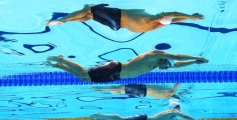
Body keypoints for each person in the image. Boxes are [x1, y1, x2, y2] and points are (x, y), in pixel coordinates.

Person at [46, 50, 209, 83]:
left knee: (85, 79)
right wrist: (196, 56)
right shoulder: (153, 55)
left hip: (117, 76)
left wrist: (194, 63)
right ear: (164, 59)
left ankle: (60, 66)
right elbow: (176, 57)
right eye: (166, 64)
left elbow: (176, 64)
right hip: (115, 68)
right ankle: (63, 59)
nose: (166, 67)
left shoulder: (156, 65)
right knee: (84, 73)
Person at [46, 4, 204, 32]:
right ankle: (65, 22)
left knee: (87, 9)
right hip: (116, 26)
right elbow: (174, 20)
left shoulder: (151, 19)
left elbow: (174, 13)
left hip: (118, 15)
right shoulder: (153, 26)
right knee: (88, 17)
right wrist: (189, 19)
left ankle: (65, 20)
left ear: (160, 17)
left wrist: (192, 16)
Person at [91, 83, 181, 99]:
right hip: (142, 93)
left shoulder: (170, 92)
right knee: (121, 90)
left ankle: (100, 88)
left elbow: (177, 85)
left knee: (120, 88)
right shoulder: (165, 96)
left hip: (142, 89)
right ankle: (103, 89)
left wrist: (181, 80)